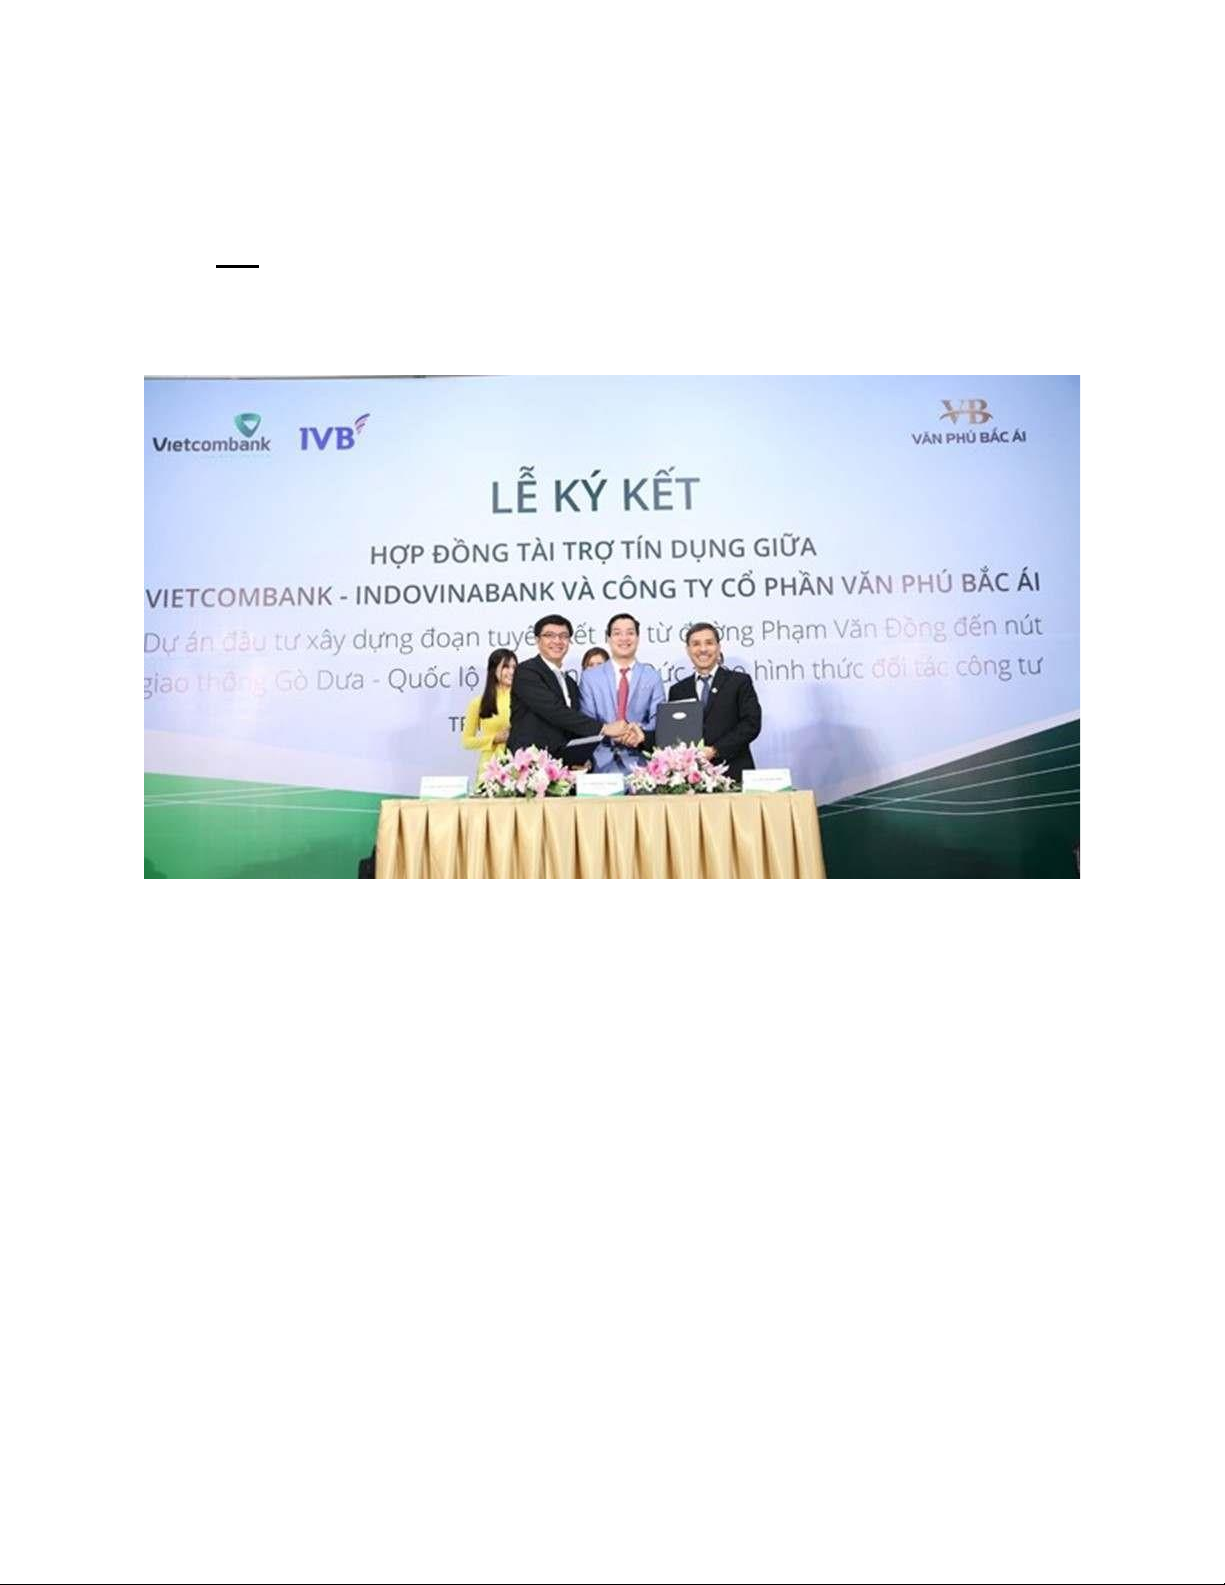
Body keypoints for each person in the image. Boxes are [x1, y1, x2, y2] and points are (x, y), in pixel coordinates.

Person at [508, 614, 631, 764]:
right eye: (549, 635)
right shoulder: (526, 671)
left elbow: (573, 724)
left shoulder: (570, 682)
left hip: (563, 765)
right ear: (537, 640)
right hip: (531, 764)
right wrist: (605, 728)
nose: (557, 641)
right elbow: (554, 710)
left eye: (563, 636)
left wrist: (581, 757)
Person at [667, 622, 762, 780]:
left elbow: (751, 724)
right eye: (696, 644)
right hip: (692, 779)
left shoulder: (739, 682)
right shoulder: (678, 690)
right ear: (688, 650)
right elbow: (673, 735)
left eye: (709, 643)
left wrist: (715, 750)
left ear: (718, 647)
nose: (703, 649)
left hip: (734, 773)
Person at [579, 612, 665, 774]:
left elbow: (658, 720)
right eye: (617, 633)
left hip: (641, 764)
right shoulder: (590, 677)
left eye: (630, 633)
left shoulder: (652, 676)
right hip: (600, 762)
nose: (624, 638)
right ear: (608, 638)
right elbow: (586, 720)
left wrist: (637, 733)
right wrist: (609, 731)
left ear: (638, 638)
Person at [461, 649, 516, 774]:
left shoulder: (524, 699)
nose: (512, 671)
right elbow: (467, 741)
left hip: (518, 766)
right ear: (493, 669)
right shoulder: (478, 703)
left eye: (514, 667)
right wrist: (494, 739)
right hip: (490, 769)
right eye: (506, 667)